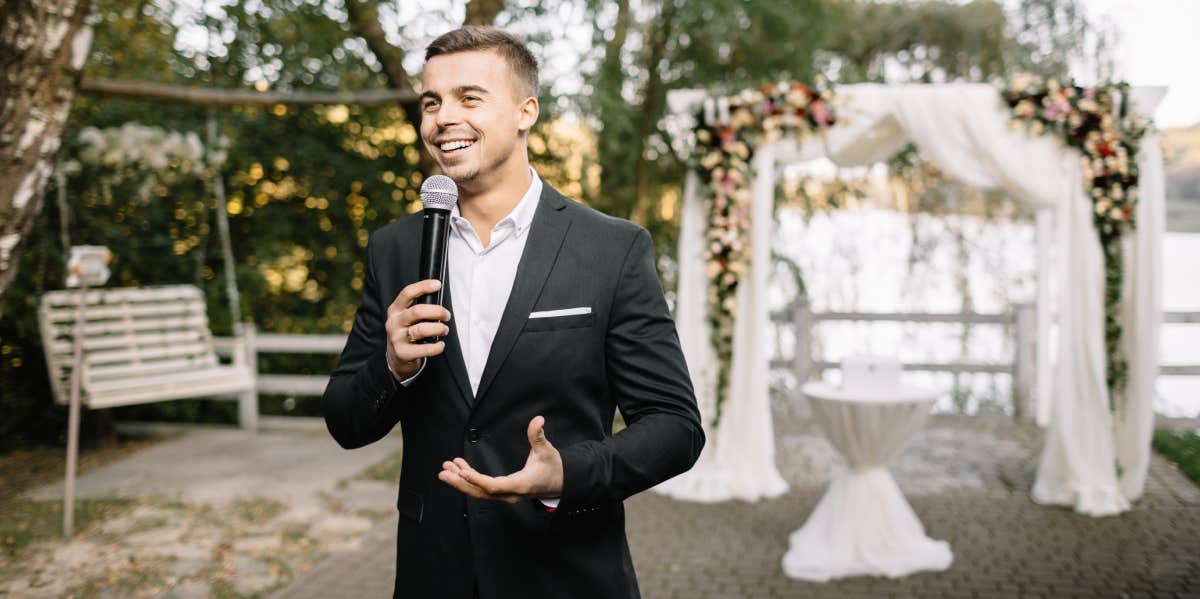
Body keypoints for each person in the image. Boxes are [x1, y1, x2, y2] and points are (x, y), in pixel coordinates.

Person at [322, 26, 703, 599]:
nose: (442, 117)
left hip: (566, 571)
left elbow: (675, 427)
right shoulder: (395, 249)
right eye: (432, 102)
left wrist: (567, 474)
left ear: (526, 112)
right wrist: (391, 367)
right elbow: (346, 422)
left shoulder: (611, 249)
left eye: (468, 98)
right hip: (436, 573)